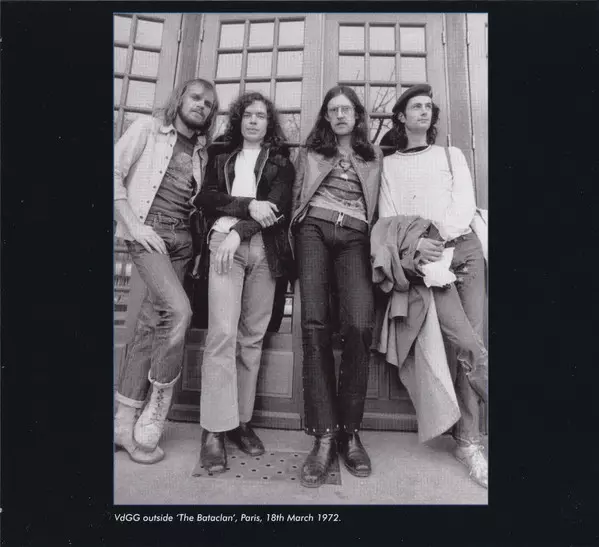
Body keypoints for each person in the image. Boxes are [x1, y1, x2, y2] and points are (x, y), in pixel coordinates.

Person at [379, 84, 488, 488]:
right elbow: (390, 219)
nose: (424, 112)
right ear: (401, 116)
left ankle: (469, 442)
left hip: (465, 252)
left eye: (428, 107)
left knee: (473, 341)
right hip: (428, 264)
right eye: (416, 107)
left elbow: (463, 204)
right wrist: (418, 249)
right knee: (466, 343)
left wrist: (434, 238)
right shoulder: (390, 165)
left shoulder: (450, 155)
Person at [113, 79, 219, 464]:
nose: (201, 106)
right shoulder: (147, 129)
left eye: (208, 104)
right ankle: (158, 405)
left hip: (182, 242)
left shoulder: (202, 153)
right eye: (195, 98)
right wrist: (134, 225)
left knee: (150, 324)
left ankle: (122, 424)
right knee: (180, 312)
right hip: (150, 234)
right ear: (180, 99)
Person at [194, 92, 295, 474]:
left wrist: (241, 229)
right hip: (224, 247)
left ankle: (239, 421)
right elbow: (205, 198)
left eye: (261, 116)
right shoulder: (221, 156)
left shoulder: (282, 163)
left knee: (252, 338)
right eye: (248, 114)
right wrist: (247, 206)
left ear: (269, 123)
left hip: (265, 251)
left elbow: (278, 209)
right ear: (239, 120)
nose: (253, 120)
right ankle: (213, 429)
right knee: (222, 334)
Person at [290, 86, 383, 488]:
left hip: (357, 235)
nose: (340, 115)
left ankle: (350, 431)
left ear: (357, 115)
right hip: (314, 228)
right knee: (314, 326)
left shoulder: (374, 155)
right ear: (326, 117)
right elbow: (296, 197)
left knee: (360, 325)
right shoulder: (311, 152)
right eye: (333, 110)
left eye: (347, 109)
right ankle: (324, 435)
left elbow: (381, 204)